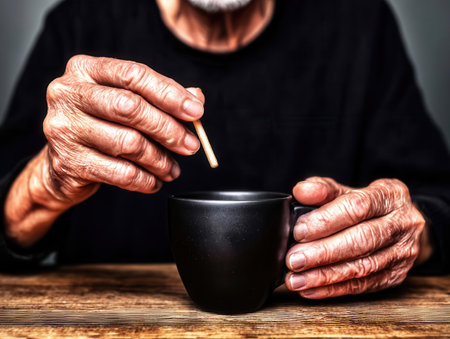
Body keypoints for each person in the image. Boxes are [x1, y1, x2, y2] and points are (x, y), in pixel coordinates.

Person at [0, 0, 449, 300]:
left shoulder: (358, 23)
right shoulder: (81, 21)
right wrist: (46, 184)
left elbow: (436, 202)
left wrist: (407, 232)